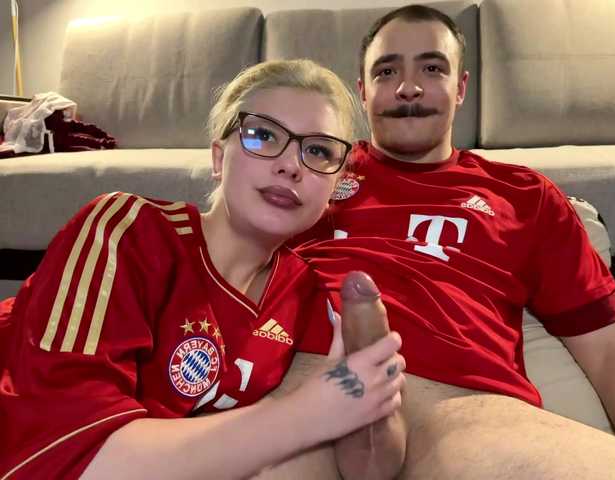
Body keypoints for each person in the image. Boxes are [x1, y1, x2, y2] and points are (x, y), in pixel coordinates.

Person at [266, 5, 615, 479]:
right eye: (386, 71)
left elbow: (610, 346)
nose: (408, 87)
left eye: (432, 68)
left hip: (462, 407)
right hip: (306, 377)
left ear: (461, 87)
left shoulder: (525, 196)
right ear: (362, 92)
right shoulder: (314, 169)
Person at [0, 59, 407, 480]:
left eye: (318, 151)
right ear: (218, 158)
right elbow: (72, 460)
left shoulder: (304, 292)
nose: (291, 165)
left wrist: (376, 389)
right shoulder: (126, 231)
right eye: (263, 135)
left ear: (335, 187)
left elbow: (370, 467)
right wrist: (305, 415)